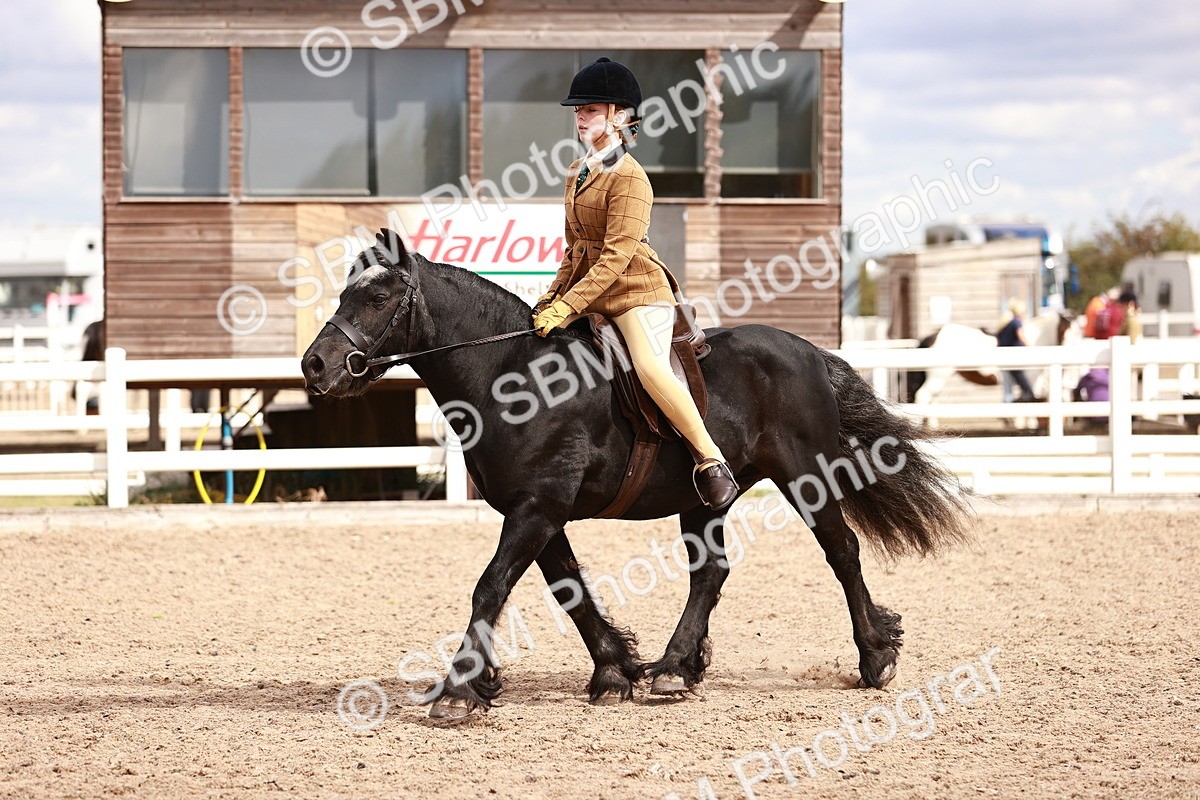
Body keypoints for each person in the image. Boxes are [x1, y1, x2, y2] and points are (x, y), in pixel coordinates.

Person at [530, 57, 738, 510]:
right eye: (577, 112)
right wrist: (551, 296)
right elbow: (577, 250)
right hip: (594, 294)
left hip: (637, 294)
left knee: (649, 366)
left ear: (620, 116)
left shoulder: (631, 178)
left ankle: (709, 458)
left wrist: (567, 308)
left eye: (590, 110)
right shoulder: (576, 171)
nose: (580, 118)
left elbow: (615, 257)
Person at [996, 297, 1035, 402]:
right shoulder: (1016, 322)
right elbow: (1022, 337)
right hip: (1014, 360)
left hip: (1003, 361)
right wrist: (1032, 350)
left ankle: (1008, 410)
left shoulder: (1004, 323)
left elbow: (998, 343)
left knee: (1008, 389)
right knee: (1028, 391)